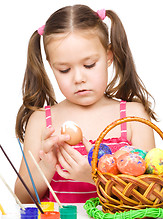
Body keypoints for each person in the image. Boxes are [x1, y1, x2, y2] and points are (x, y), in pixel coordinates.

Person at [14, 4, 156, 204]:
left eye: (89, 65)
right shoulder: (41, 120)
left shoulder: (133, 116)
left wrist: (94, 179)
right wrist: (46, 167)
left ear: (108, 56)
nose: (79, 78)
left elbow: (150, 194)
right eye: (64, 69)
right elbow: (22, 198)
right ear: (51, 66)